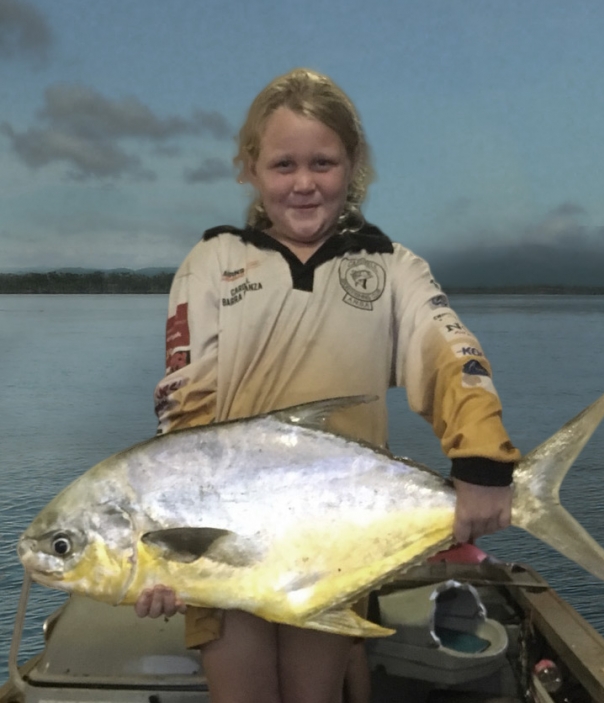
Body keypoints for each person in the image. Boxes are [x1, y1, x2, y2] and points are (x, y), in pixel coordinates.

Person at [135, 68, 519, 703]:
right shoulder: (212, 263)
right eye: (284, 164)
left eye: (323, 162)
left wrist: (482, 459)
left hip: (333, 531)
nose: (304, 183)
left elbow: (449, 354)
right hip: (222, 534)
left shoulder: (391, 268)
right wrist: (166, 554)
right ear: (251, 168)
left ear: (353, 164)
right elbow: (185, 407)